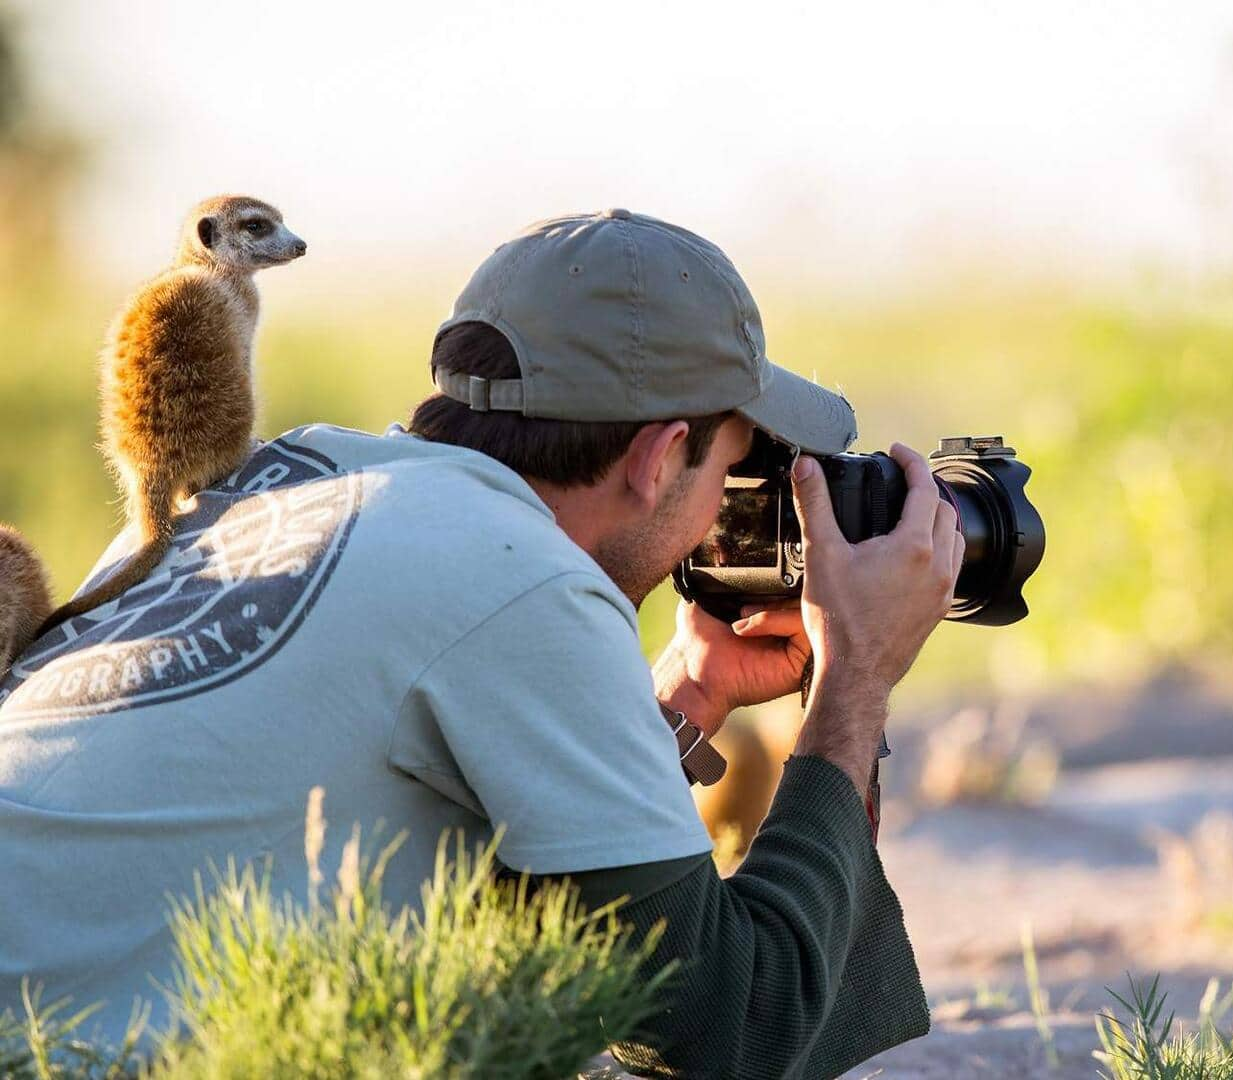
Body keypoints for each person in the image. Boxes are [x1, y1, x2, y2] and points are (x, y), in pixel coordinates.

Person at [0, 209, 957, 1077]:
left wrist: (688, 696)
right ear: (661, 456)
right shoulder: (527, 577)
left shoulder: (271, 478)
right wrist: (852, 686)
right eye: (730, 471)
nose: (720, 512)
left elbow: (511, 876)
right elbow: (732, 1029)